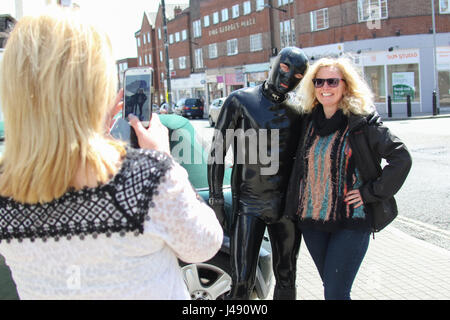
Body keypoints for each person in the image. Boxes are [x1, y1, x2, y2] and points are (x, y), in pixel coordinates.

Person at [0, 8, 223, 300]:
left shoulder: (6, 190)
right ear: (98, 89)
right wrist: (166, 162)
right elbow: (204, 245)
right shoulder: (147, 177)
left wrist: (90, 131)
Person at [284, 57, 412, 300]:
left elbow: (401, 158)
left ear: (346, 85)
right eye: (319, 81)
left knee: (335, 293)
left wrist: (369, 193)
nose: (325, 87)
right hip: (312, 223)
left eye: (332, 81)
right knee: (334, 292)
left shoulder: (362, 122)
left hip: (351, 222)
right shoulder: (307, 121)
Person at [207, 47, 309, 300]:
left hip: (286, 207)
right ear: (274, 64)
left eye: (297, 76)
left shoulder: (300, 111)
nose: (287, 78)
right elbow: (217, 153)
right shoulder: (240, 100)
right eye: (284, 68)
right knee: (242, 281)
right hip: (249, 204)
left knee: (287, 276)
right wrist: (216, 199)